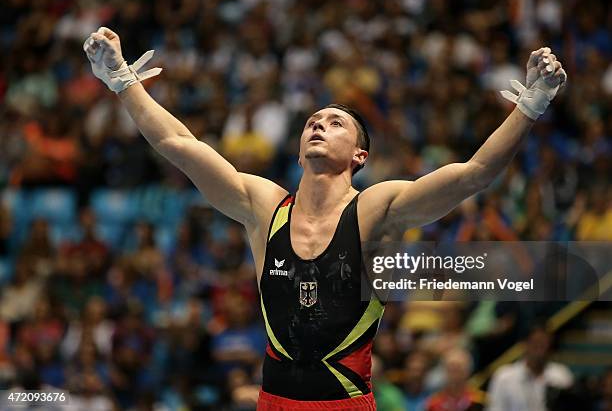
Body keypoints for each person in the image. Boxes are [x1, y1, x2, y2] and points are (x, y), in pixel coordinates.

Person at [83, 26, 567, 410]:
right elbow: (180, 147)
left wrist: (531, 103)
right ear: (297, 150)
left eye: (335, 123)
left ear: (359, 155)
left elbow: (473, 175)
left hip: (345, 405)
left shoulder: (375, 209)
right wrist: (123, 81)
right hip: (274, 403)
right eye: (313, 121)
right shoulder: (263, 206)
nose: (318, 124)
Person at [487, 325, 573, 411]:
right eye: (536, 343)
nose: (540, 349)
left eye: (544, 344)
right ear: (525, 344)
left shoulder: (561, 375)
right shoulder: (504, 377)